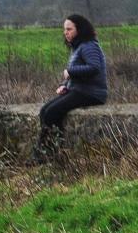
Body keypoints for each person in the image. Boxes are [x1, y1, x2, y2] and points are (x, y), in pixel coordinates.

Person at [33, 14, 108, 163]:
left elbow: (94, 68)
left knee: (53, 112)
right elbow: (75, 76)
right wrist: (64, 85)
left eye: (69, 29)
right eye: (64, 29)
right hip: (80, 90)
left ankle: (46, 155)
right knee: (45, 111)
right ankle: (51, 150)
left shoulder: (89, 45)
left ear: (79, 30)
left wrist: (70, 72)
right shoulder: (78, 47)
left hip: (92, 93)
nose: (65, 32)